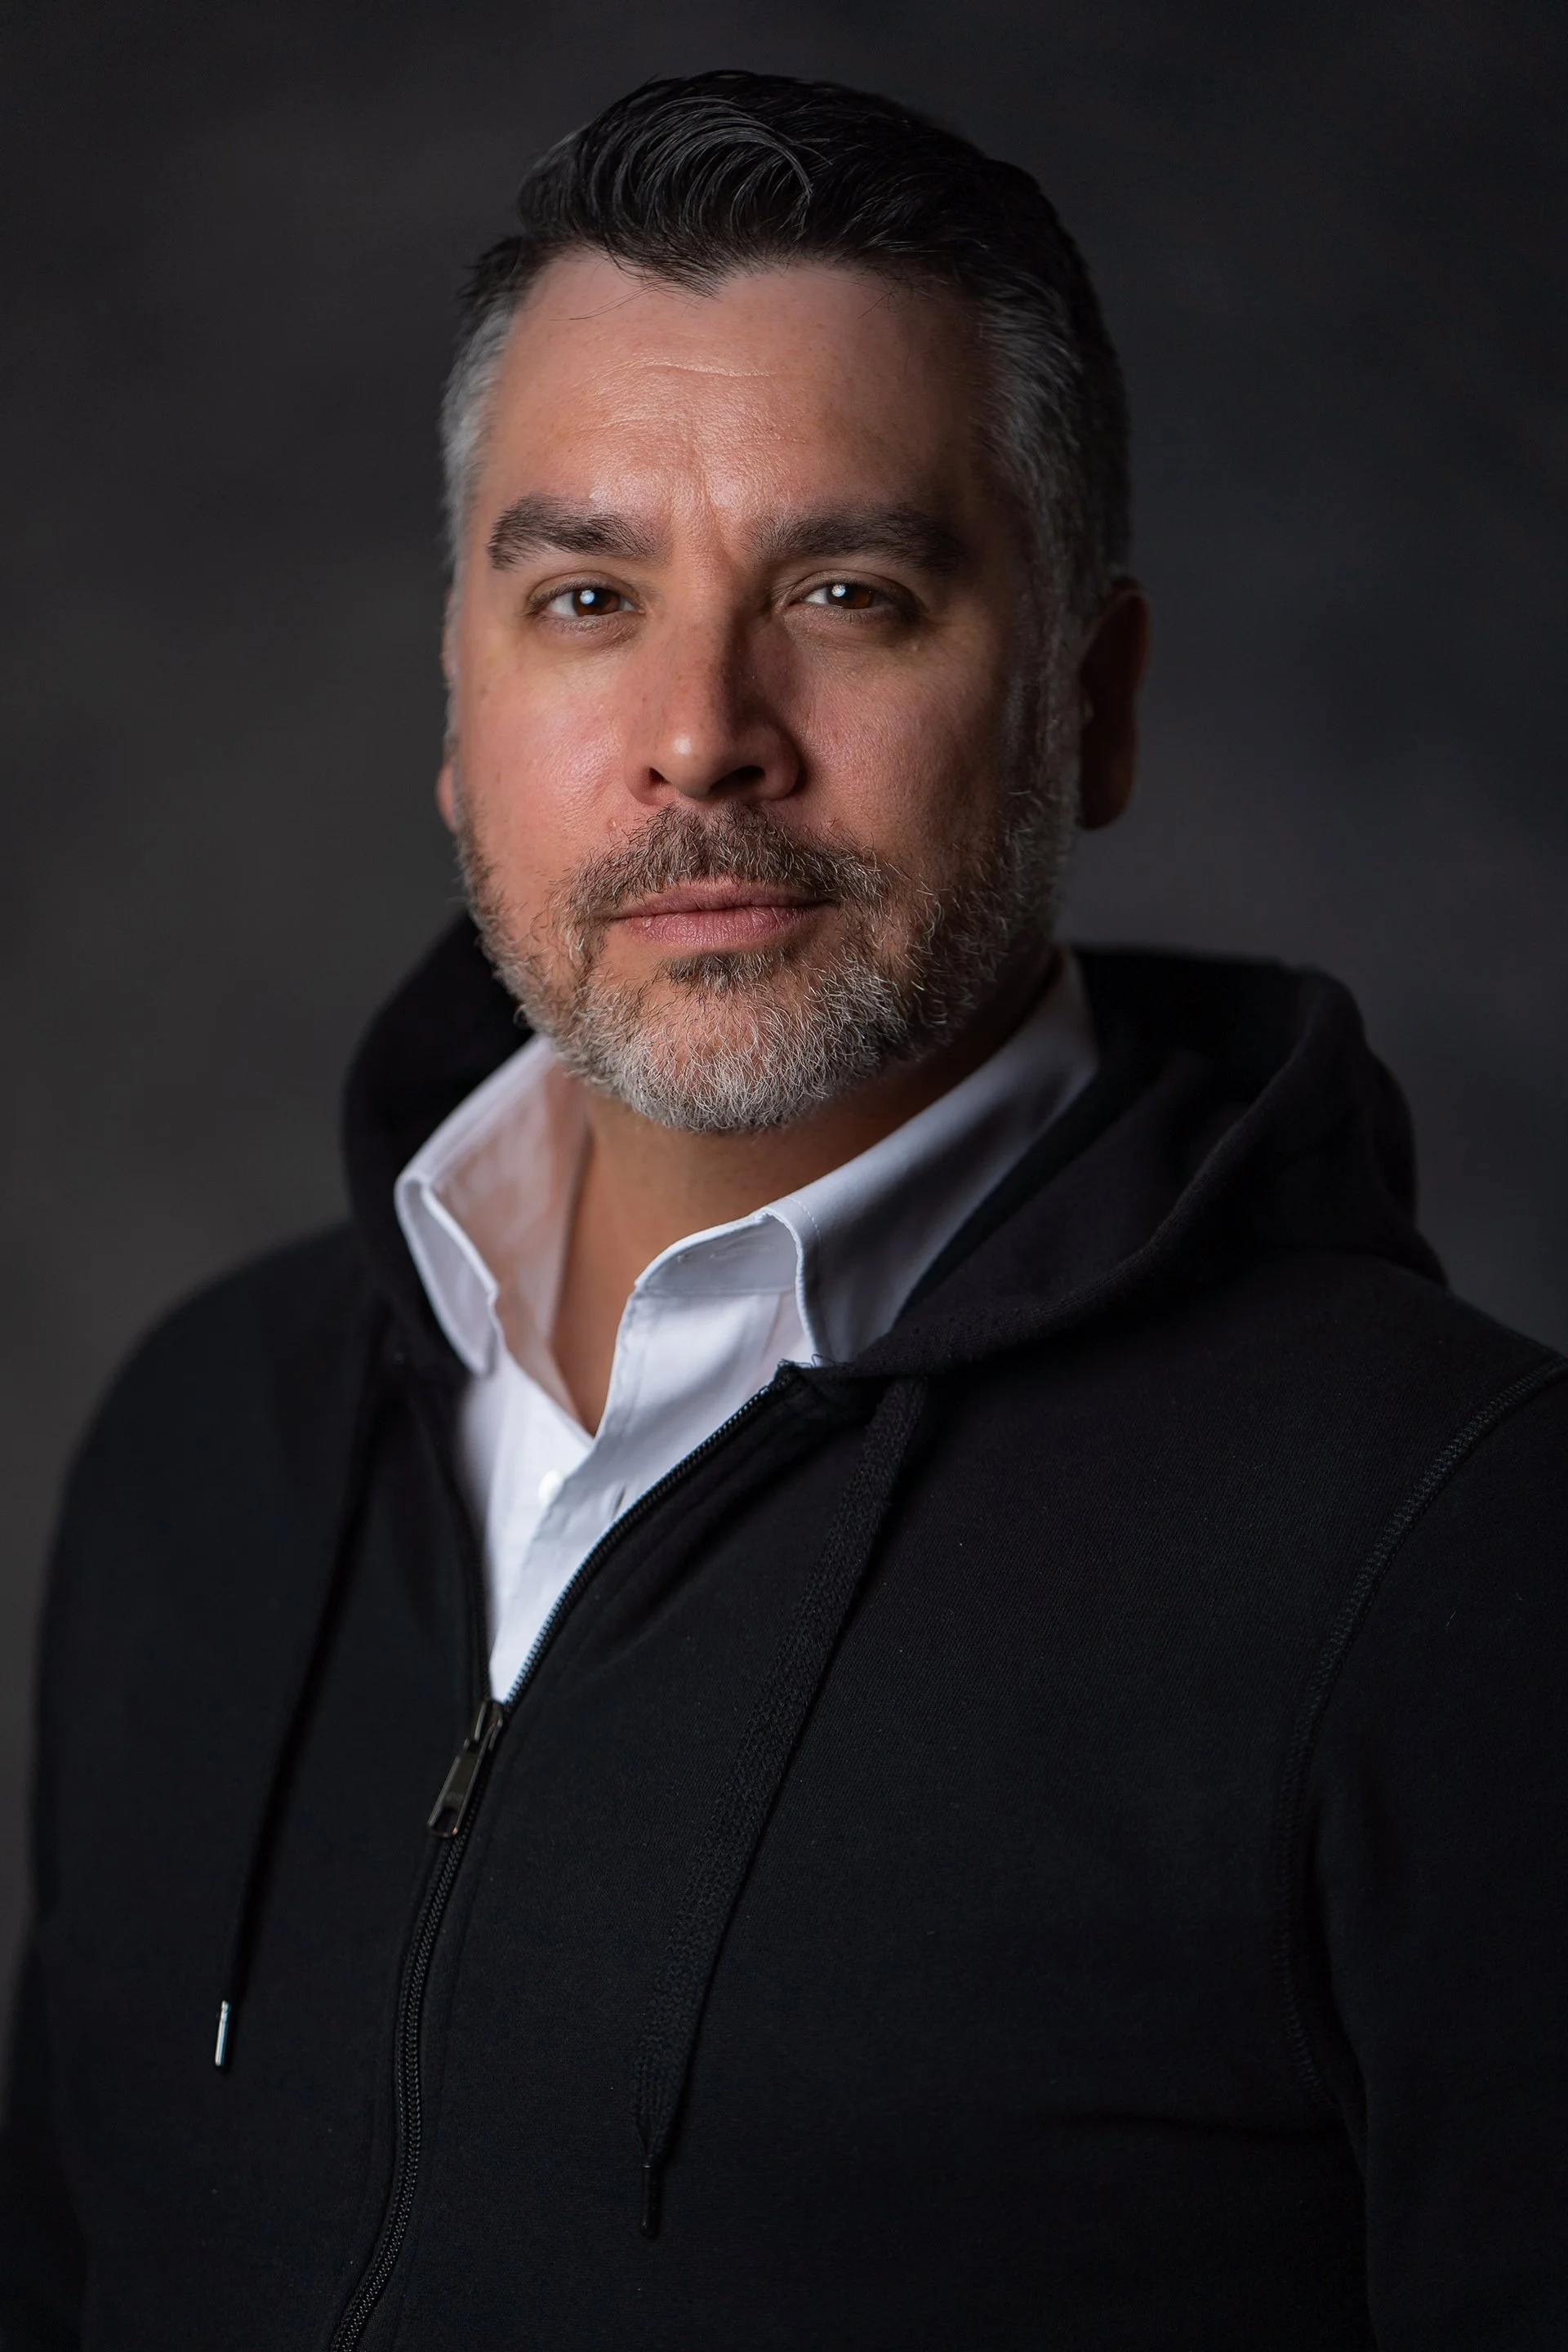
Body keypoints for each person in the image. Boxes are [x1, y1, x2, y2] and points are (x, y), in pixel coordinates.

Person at [2, 69, 1565, 2352]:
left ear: (1092, 705)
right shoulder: (198, 1446)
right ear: (458, 708)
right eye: (585, 593)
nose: (702, 731)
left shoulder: (1464, 1556)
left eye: (847, 588)